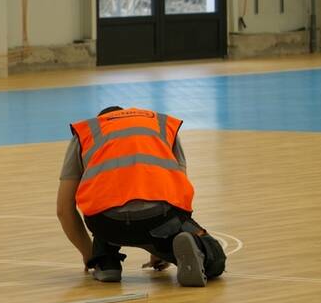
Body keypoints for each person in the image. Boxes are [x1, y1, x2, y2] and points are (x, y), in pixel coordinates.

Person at [56, 106, 226, 287]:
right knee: (216, 258)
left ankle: (105, 263)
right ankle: (200, 253)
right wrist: (164, 242)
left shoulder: (86, 133)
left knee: (104, 203)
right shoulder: (162, 125)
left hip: (106, 224)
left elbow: (64, 210)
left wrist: (90, 256)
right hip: (160, 219)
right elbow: (179, 192)